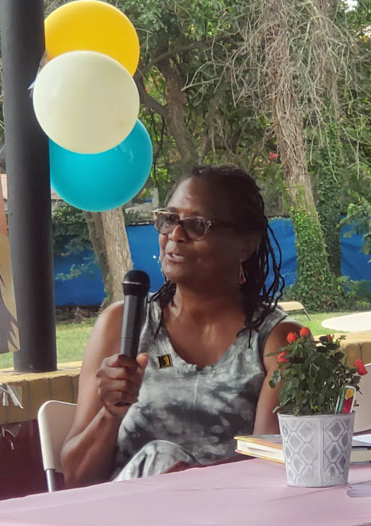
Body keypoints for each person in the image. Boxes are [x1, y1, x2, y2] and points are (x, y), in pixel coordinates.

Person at [61, 165, 301, 487]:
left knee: (163, 456)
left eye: (196, 225)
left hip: (228, 523)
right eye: (170, 219)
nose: (175, 234)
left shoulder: (275, 341)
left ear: (245, 244)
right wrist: (110, 413)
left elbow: (270, 472)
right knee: (158, 456)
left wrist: (191, 485)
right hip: (128, 523)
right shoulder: (120, 326)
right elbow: (76, 478)